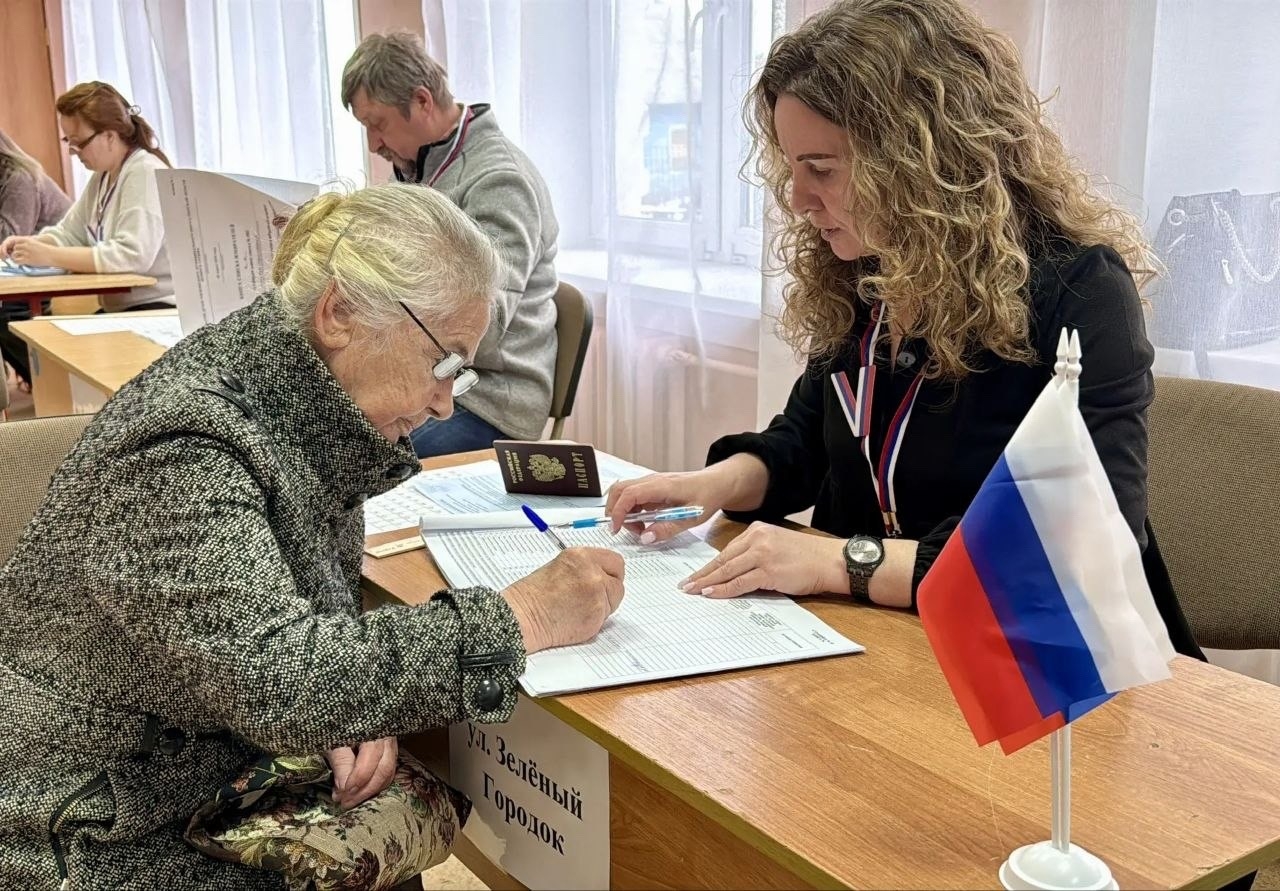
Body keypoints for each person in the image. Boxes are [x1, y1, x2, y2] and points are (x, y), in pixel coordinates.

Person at [0, 183, 624, 889]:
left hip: (183, 759)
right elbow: (279, 678)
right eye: (445, 362)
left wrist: (347, 699)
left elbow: (287, 640)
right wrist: (523, 615)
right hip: (90, 816)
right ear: (340, 313)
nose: (448, 400)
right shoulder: (186, 441)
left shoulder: (297, 396)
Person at [605, 0, 1201, 656]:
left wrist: (841, 563)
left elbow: (1080, 546)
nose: (798, 200)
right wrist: (708, 487)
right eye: (791, 167)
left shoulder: (1081, 291)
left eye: (821, 170)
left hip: (1046, 670)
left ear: (917, 157)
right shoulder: (868, 273)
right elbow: (806, 442)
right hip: (892, 644)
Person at [341, 32, 560, 457]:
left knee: (361, 457)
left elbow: (485, 328)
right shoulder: (417, 167)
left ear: (422, 101)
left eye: (377, 123)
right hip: (430, 374)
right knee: (321, 427)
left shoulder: (499, 180)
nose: (373, 143)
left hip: (488, 397)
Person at [0, 81, 173, 311]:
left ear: (110, 136)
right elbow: (70, 233)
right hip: (126, 307)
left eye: (79, 142)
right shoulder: (103, 176)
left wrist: (50, 255)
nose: (72, 150)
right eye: (68, 141)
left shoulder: (144, 172)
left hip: (157, 307)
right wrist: (31, 244)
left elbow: (131, 255)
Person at [0, 129, 71, 386]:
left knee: (6, 314)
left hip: (59, 269)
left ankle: (52, 385)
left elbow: (6, 239)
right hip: (25, 272)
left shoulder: (18, 177)